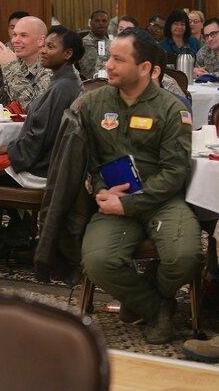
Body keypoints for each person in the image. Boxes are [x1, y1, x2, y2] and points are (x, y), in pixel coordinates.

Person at [79, 28, 202, 344]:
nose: (108, 65)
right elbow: (81, 158)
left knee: (185, 256)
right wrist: (98, 187)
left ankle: (141, 297)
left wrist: (131, 203)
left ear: (145, 68)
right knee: (97, 260)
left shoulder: (173, 109)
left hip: (161, 198)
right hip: (111, 197)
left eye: (119, 59)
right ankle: (157, 307)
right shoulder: (92, 103)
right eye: (109, 57)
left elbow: (174, 172)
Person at [0, 26, 84, 267]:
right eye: (13, 34)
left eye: (49, 46)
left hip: (43, 166)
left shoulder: (60, 84)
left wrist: (10, 149)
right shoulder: (62, 79)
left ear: (67, 54)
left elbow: (38, 126)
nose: (45, 51)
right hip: (38, 153)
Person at [0, 16, 51, 110]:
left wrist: (12, 68)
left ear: (41, 41)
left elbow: (35, 109)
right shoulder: (17, 62)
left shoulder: (51, 66)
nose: (15, 40)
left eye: (23, 35)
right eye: (14, 35)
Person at [79, 9, 111, 79]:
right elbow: (91, 70)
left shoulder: (110, 43)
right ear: (91, 23)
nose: (101, 23)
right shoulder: (85, 42)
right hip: (91, 82)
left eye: (104, 21)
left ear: (108, 24)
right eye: (97, 21)